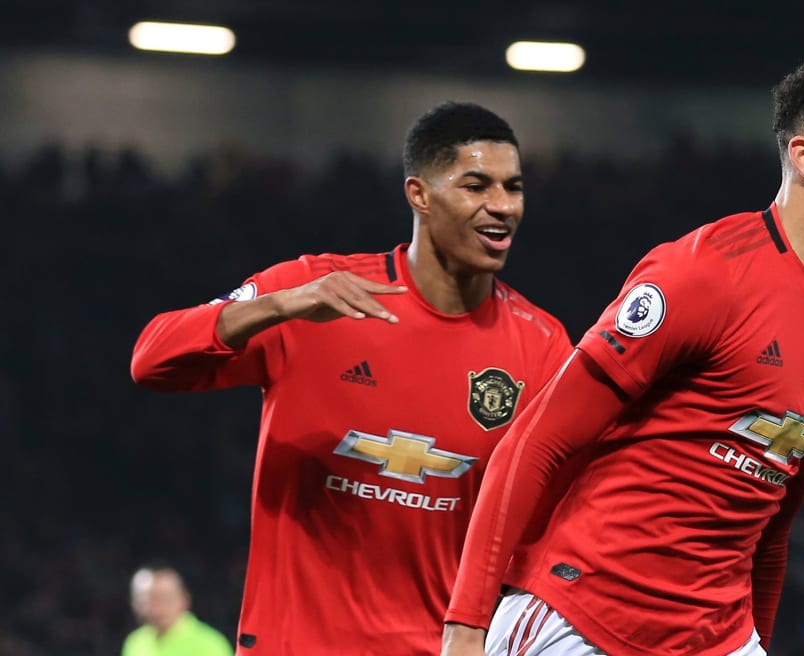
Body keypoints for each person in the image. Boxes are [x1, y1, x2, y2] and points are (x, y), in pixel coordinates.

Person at [441, 52, 804, 656]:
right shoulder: (707, 273)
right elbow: (536, 441)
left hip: (716, 638)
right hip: (583, 618)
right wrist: (465, 626)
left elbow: (770, 530)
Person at [130, 101, 572, 655]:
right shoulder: (315, 292)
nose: (502, 207)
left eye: (514, 187)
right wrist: (279, 305)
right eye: (477, 185)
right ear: (420, 195)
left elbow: (559, 514)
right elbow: (152, 359)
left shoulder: (542, 345)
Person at [122, 565, 234, 656]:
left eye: (164, 598)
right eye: (147, 600)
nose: (156, 609)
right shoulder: (135, 642)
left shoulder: (211, 644)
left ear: (184, 599)